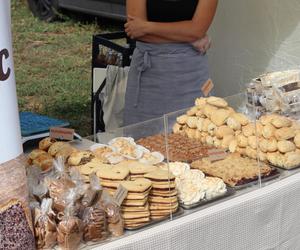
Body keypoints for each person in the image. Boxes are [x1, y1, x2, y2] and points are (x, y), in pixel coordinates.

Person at [123, 0, 218, 125]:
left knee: (194, 134)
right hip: (149, 74)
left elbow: (197, 30)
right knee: (141, 137)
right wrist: (187, 37)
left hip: (191, 74)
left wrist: (148, 27)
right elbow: (135, 31)